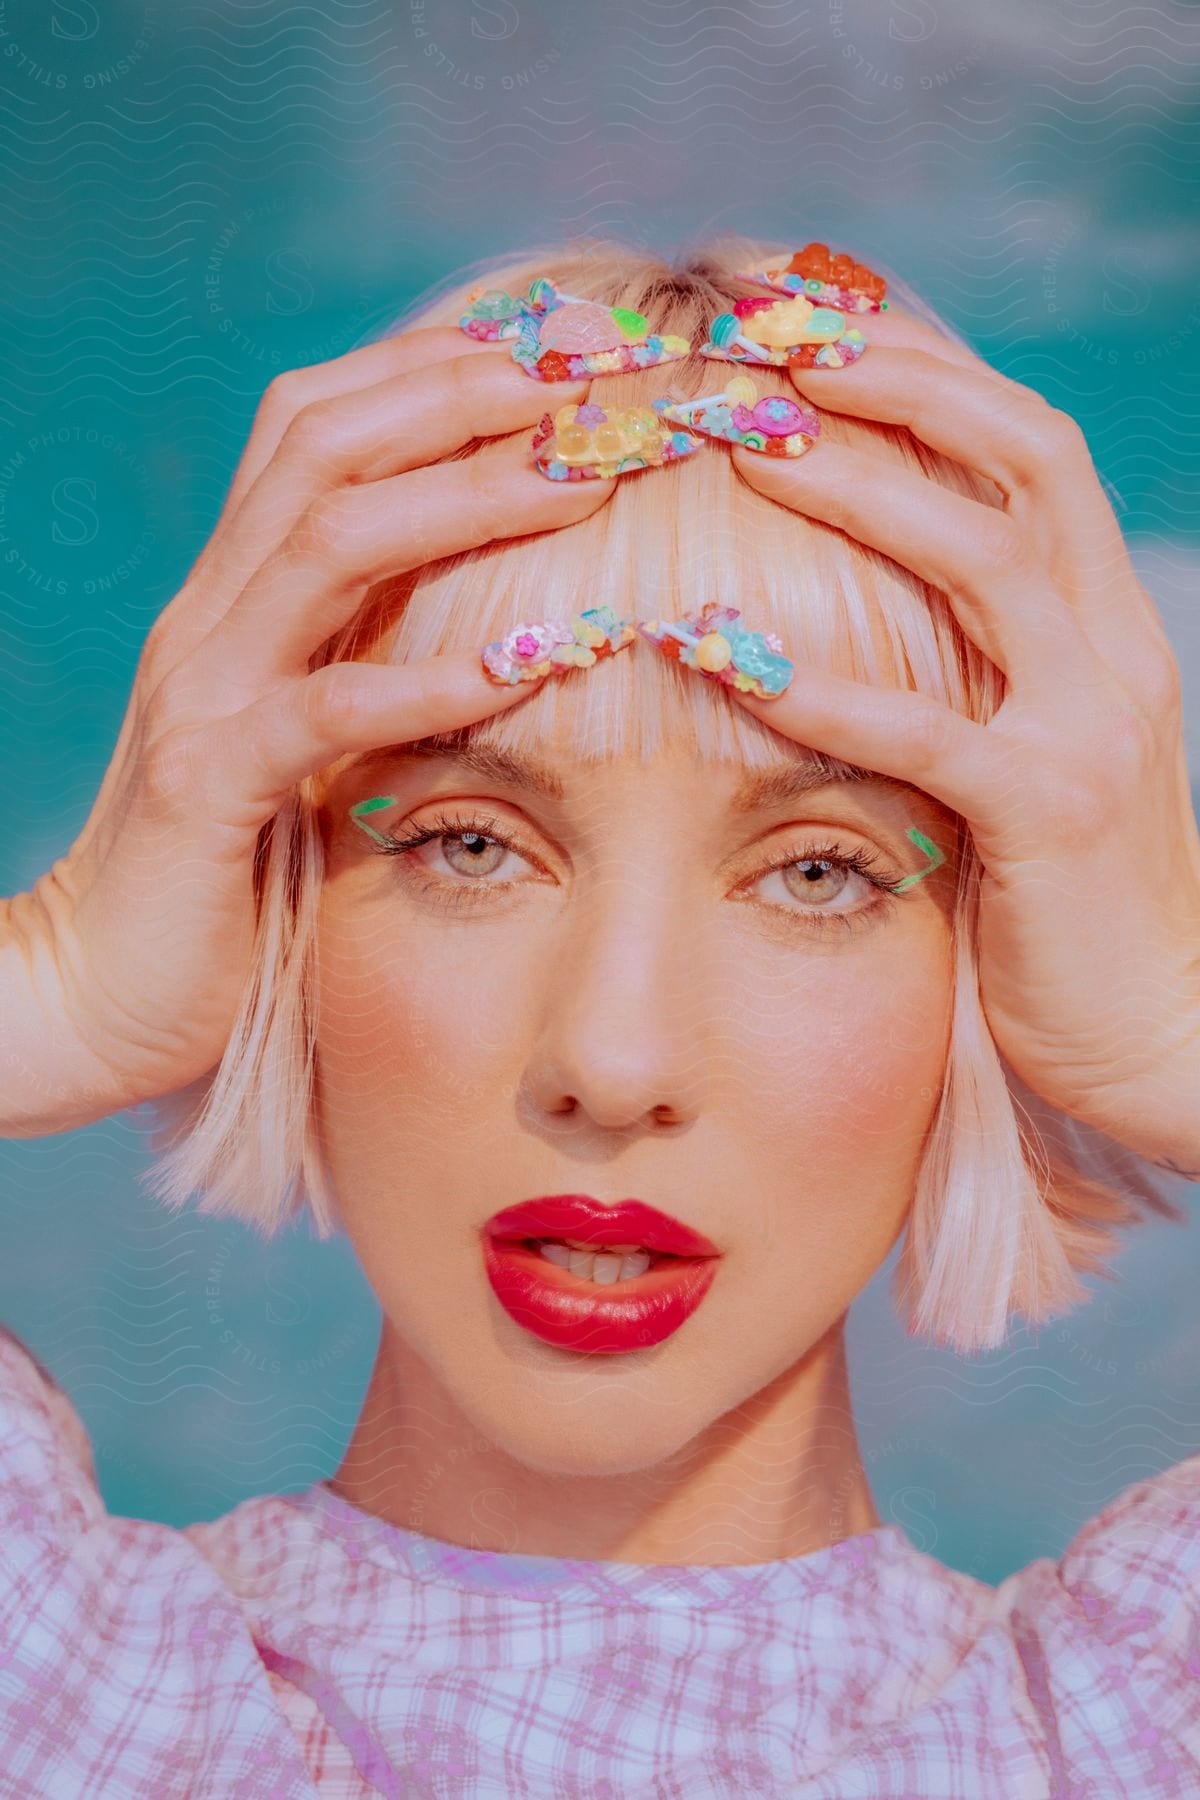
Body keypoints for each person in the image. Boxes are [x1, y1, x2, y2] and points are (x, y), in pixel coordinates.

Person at [1, 235, 1197, 1799]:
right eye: (468, 846)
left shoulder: (1130, 1738)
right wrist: (61, 983)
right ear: (273, 894)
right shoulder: (64, 1699)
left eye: (821, 872)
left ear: (994, 958)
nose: (611, 1063)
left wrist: (1174, 1038)